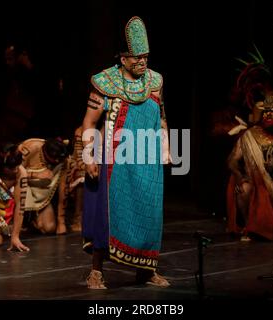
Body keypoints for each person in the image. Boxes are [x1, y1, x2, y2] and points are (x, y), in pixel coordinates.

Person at [81, 16, 170, 289]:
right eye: (135, 58)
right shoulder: (105, 83)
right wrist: (88, 156)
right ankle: (96, 271)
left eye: (145, 57)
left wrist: (165, 148)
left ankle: (146, 270)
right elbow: (89, 123)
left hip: (147, 160)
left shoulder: (155, 81)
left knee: (150, 214)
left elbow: (162, 116)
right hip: (114, 161)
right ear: (122, 58)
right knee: (105, 215)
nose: (142, 62)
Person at [226, 90, 273, 241]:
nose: (268, 115)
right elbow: (232, 160)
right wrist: (239, 177)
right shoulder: (250, 135)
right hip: (252, 179)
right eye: (266, 111)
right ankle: (251, 228)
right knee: (243, 190)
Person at [8, 137, 69, 249]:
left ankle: (31, 220)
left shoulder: (62, 160)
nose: (55, 162)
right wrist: (36, 175)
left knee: (49, 227)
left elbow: (63, 188)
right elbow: (13, 172)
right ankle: (20, 220)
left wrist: (61, 221)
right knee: (8, 230)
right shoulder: (30, 147)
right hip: (20, 186)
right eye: (52, 159)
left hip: (41, 193)